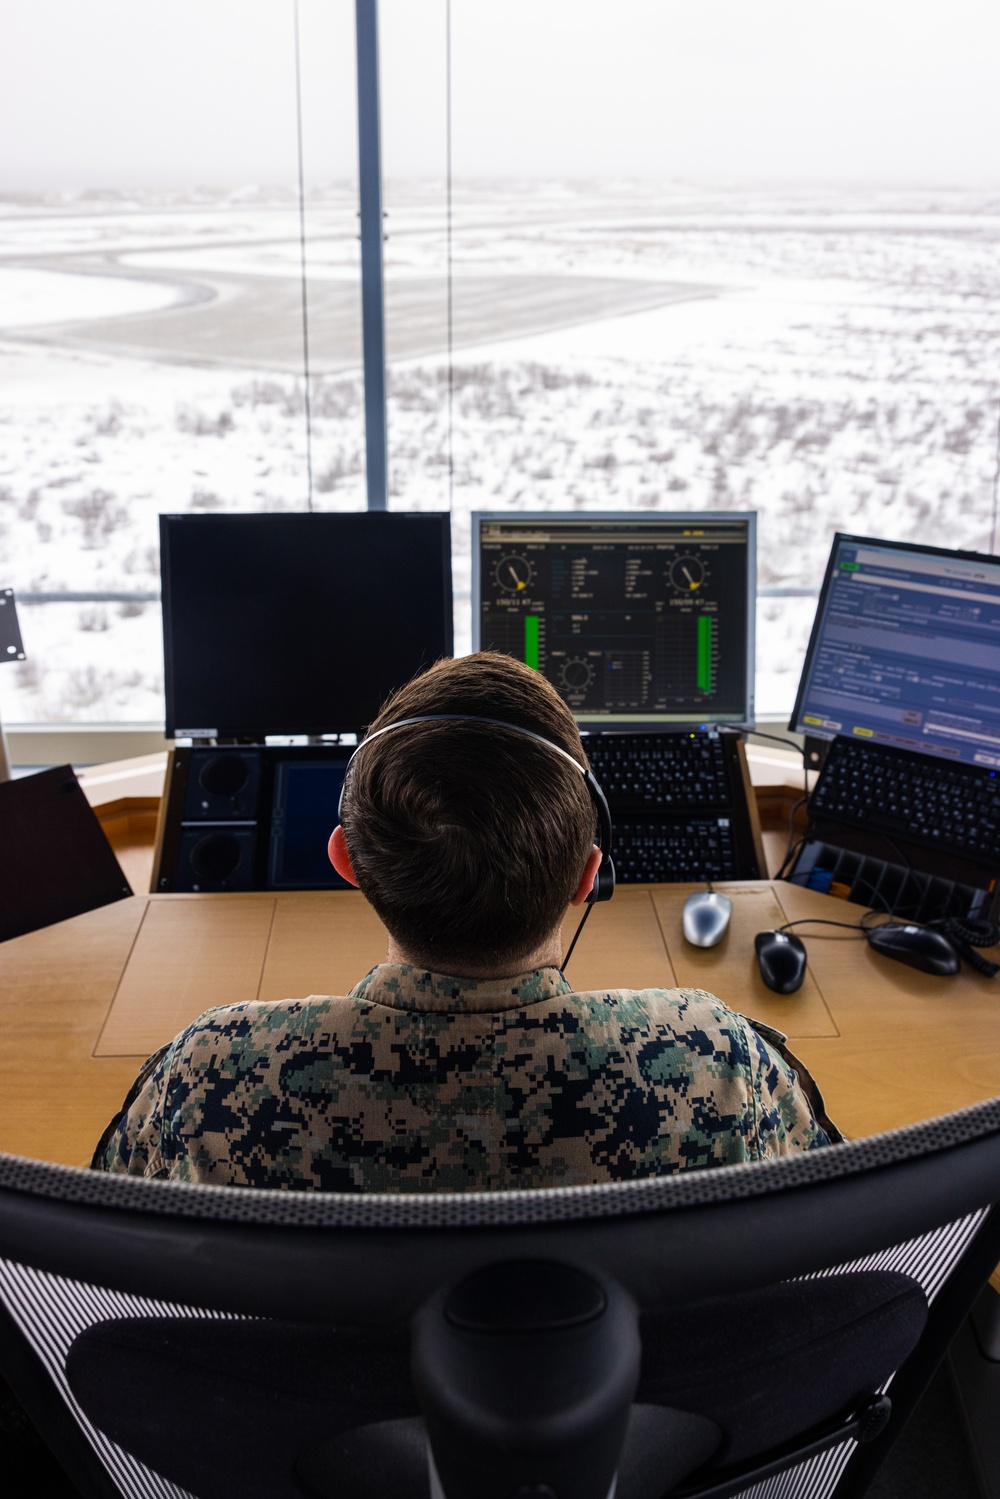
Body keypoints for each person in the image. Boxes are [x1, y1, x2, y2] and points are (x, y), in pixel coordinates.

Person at [94, 651, 840, 1189]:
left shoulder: (212, 1071)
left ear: (346, 860)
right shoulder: (715, 1058)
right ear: (589, 876)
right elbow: (832, 1218)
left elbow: (111, 1239)